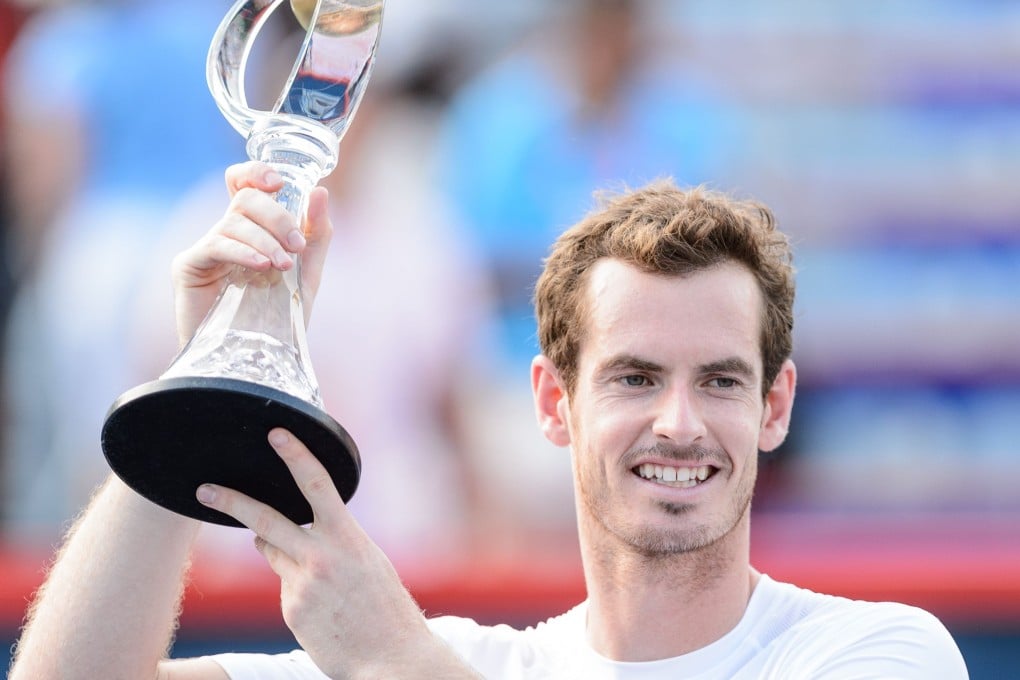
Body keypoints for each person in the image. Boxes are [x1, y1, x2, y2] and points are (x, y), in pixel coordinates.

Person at [7, 162, 968, 679]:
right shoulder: (469, 660)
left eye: (719, 381)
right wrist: (200, 386)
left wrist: (390, 660)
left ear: (775, 406)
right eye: (633, 378)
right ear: (553, 402)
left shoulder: (880, 651)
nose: (679, 423)